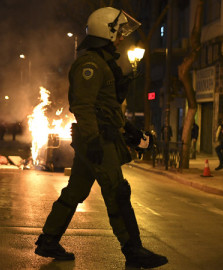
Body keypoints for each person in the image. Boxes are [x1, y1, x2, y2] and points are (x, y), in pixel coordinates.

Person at [34, 7, 168, 269]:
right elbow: (83, 106)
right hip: (97, 140)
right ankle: (133, 250)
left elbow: (106, 107)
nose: (121, 37)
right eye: (118, 31)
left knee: (76, 191)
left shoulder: (101, 62)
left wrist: (130, 131)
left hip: (98, 138)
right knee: (118, 192)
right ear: (106, 31)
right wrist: (95, 140)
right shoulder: (90, 64)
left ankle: (49, 240)